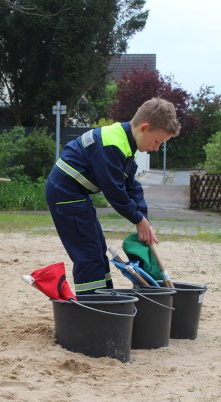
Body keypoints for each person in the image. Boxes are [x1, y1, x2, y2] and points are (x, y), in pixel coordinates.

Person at [45, 97, 181, 295]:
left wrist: (144, 220)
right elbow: (114, 191)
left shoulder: (127, 144)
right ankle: (92, 304)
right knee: (88, 253)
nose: (156, 148)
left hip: (77, 194)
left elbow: (131, 186)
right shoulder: (112, 144)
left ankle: (105, 297)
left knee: (98, 250)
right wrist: (137, 219)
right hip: (65, 193)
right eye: (157, 141)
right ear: (144, 128)